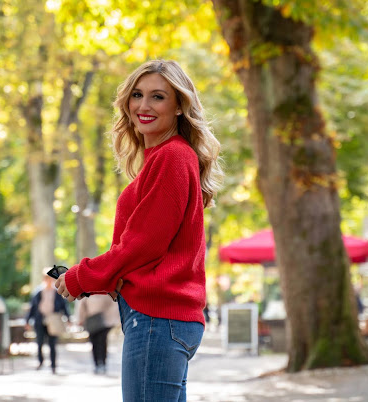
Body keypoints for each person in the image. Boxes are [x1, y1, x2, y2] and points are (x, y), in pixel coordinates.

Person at [54, 59, 223, 401]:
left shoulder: (172, 157)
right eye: (137, 95)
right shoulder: (164, 158)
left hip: (157, 319)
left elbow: (143, 244)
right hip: (163, 320)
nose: (143, 106)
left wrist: (81, 277)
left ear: (179, 106)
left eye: (158, 97)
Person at [25, 269, 70, 374]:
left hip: (53, 321)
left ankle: (53, 365)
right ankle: (40, 362)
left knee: (52, 344)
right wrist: (27, 321)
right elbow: (32, 308)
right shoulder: (38, 292)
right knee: (39, 342)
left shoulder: (57, 293)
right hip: (40, 320)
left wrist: (68, 319)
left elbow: (64, 307)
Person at [77, 294, 120, 374]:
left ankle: (103, 363)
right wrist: (81, 319)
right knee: (94, 343)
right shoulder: (87, 293)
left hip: (104, 322)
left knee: (102, 343)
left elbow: (113, 305)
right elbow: (82, 307)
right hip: (91, 321)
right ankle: (96, 363)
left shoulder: (106, 293)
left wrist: (111, 319)